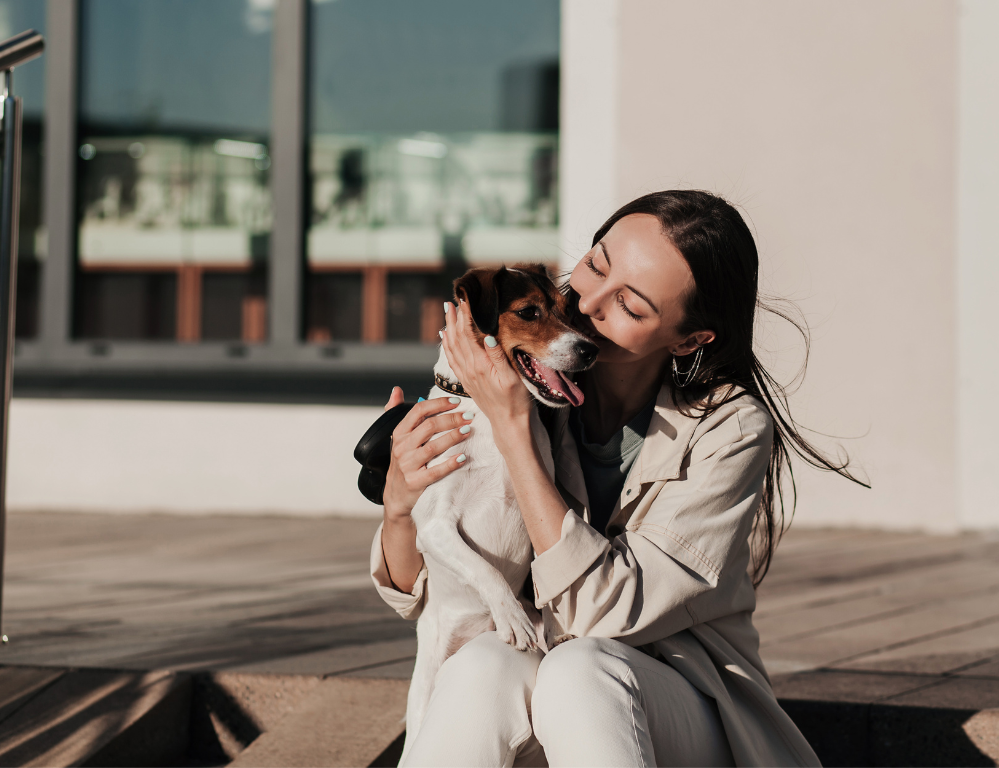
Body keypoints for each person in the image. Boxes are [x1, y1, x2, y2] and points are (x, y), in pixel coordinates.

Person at [370, 190, 864, 767]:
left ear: (688, 338)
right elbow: (419, 593)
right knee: (478, 665)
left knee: (580, 670)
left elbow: (606, 614)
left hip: (675, 696)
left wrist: (510, 427)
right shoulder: (536, 381)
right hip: (542, 665)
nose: (588, 305)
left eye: (631, 306)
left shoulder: (729, 430)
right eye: (595, 265)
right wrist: (400, 505)